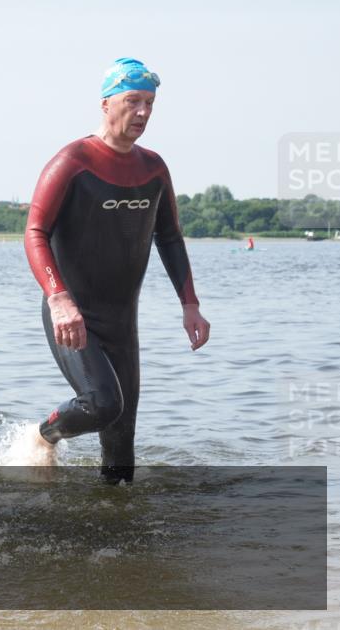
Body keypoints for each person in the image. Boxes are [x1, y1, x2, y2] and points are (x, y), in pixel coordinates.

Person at [24, 58, 211, 484]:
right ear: (106, 103)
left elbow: (170, 238)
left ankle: (115, 519)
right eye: (133, 101)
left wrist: (190, 305)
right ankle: (43, 436)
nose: (143, 112)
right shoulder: (73, 161)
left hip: (123, 321)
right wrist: (58, 298)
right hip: (73, 315)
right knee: (102, 403)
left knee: (122, 449)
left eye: (150, 103)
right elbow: (34, 232)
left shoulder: (153, 168)